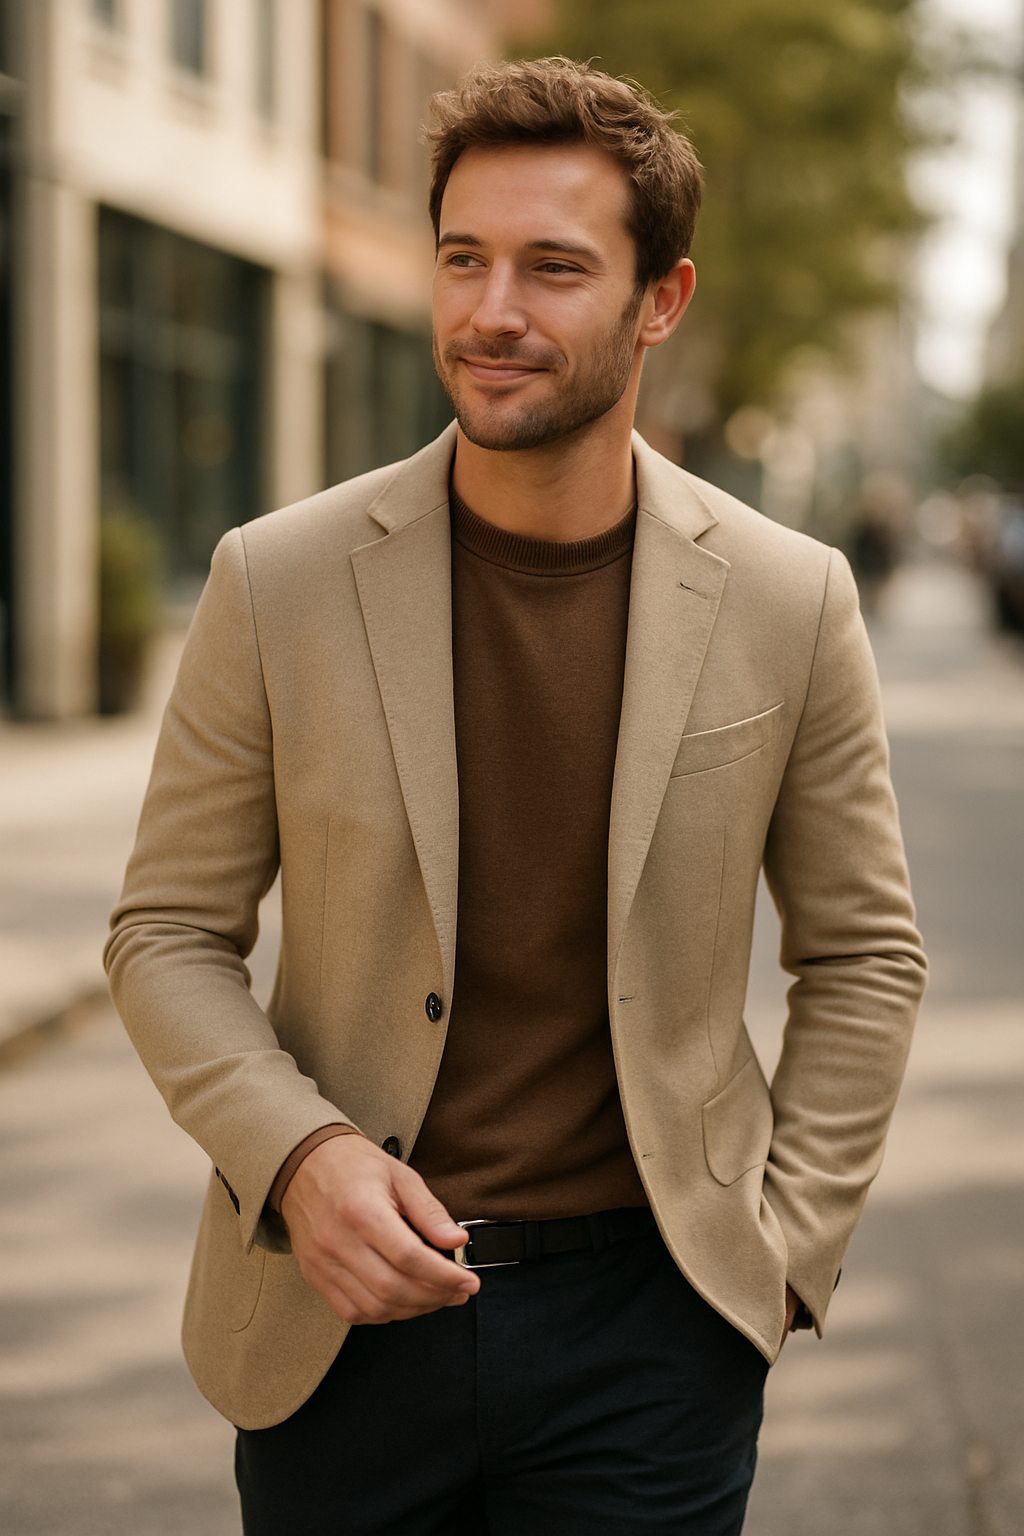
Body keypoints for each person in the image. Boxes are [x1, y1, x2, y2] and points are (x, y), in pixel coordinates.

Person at [106, 57, 926, 1536]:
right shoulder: (272, 581)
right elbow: (165, 931)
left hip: (651, 1329)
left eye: (554, 268)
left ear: (659, 301)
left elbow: (863, 955)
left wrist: (783, 1256)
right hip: (335, 1314)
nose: (492, 313)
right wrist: (298, 1159)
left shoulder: (790, 599)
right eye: (464, 259)